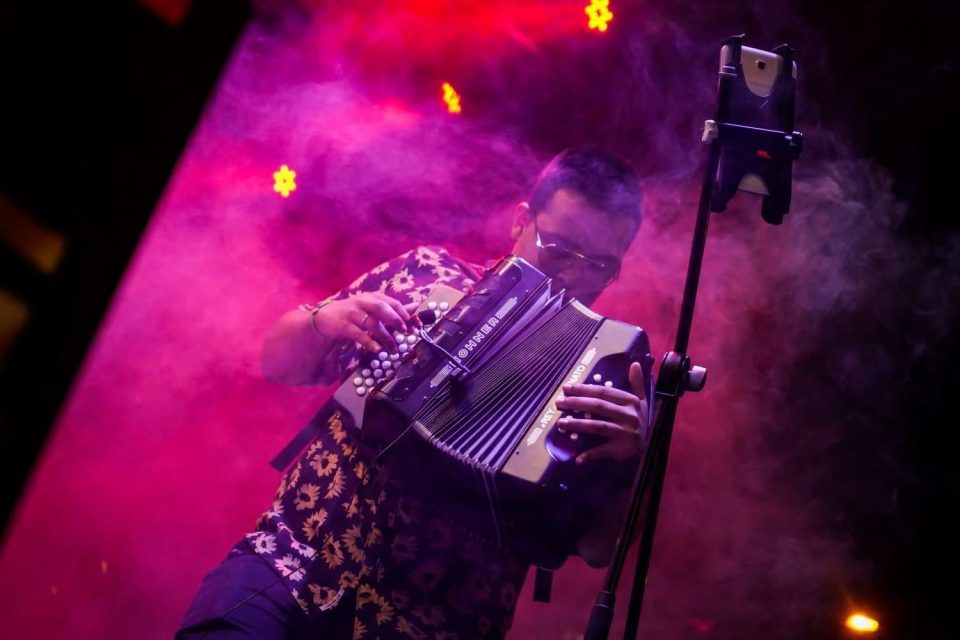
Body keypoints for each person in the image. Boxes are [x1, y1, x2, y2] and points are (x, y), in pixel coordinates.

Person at [176, 146, 649, 639]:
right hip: (289, 564)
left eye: (599, 265)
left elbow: (599, 549)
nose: (572, 276)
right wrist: (320, 321)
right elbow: (275, 364)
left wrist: (627, 467)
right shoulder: (426, 273)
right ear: (520, 222)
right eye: (559, 249)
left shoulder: (609, 376)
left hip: (431, 627)